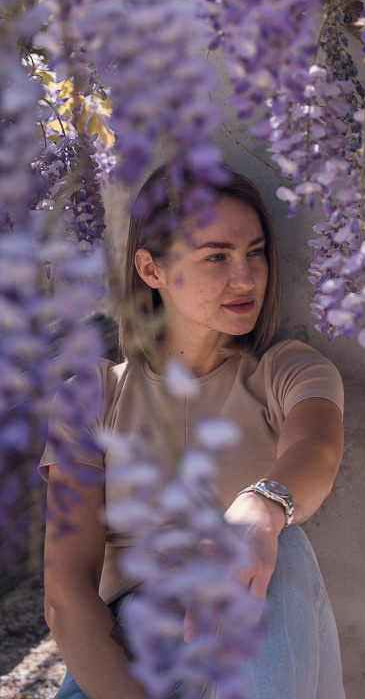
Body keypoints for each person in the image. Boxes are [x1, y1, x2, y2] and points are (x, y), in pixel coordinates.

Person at [40, 166, 346, 699]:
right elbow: (66, 595)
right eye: (217, 257)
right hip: (124, 661)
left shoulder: (289, 371)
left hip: (250, 642)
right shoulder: (90, 397)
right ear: (151, 269)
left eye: (255, 252)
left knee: (285, 546)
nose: (246, 277)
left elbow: (316, 448)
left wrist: (263, 509)